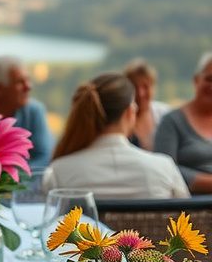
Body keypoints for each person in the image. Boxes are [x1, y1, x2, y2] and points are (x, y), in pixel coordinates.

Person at [42, 72, 188, 198]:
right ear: (130, 112)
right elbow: (188, 223)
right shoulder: (164, 167)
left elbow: (49, 224)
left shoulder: (58, 173)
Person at [0, 56, 53, 168]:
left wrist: (15, 180)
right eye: (19, 82)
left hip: (23, 182)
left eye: (28, 80)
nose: (28, 87)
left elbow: (44, 157)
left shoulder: (35, 112)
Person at [154, 52, 212, 194]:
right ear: (196, 80)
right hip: (192, 208)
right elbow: (164, 170)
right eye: (209, 79)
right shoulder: (172, 122)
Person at [123, 58, 170, 151]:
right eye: (135, 87)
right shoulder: (119, 119)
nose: (140, 93)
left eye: (145, 86)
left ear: (154, 87)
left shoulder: (165, 114)